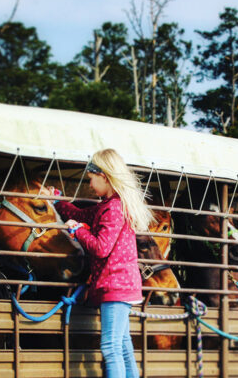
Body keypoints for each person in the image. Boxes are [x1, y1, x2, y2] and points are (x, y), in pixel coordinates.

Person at [45, 148, 153, 378]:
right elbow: (82, 215)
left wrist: (76, 231)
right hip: (121, 285)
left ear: (104, 176)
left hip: (115, 286)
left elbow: (101, 248)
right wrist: (57, 201)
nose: (90, 185)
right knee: (123, 347)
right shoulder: (110, 204)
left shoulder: (113, 208)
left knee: (110, 348)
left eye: (92, 179)